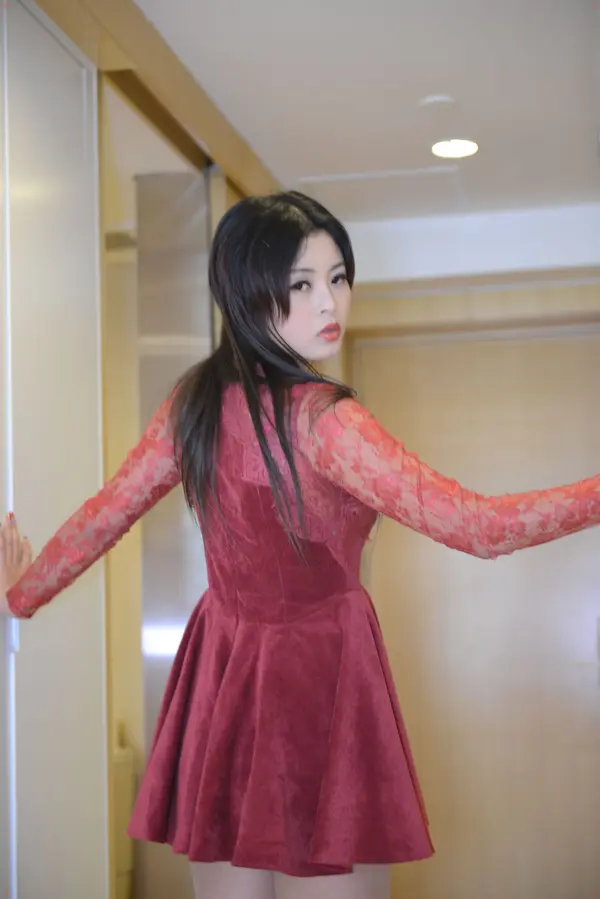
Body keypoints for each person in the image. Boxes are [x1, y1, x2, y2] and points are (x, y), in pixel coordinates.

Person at [1, 191, 600, 899]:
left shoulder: (193, 406)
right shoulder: (325, 421)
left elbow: (107, 513)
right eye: (302, 284)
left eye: (338, 277)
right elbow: (478, 526)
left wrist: (21, 593)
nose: (329, 302)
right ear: (247, 292)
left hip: (224, 671)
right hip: (321, 676)